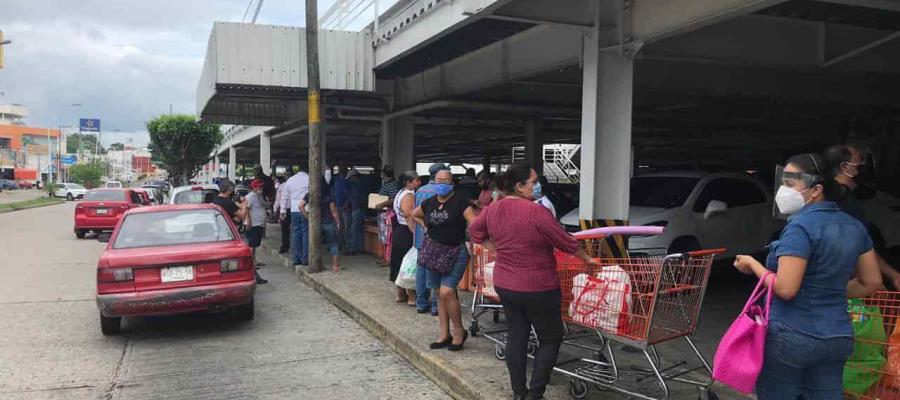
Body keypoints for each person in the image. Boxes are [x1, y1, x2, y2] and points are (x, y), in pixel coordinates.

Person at [732, 152, 882, 399]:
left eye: (790, 184)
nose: (782, 190)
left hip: (792, 336)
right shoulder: (854, 226)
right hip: (837, 335)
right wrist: (826, 293)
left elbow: (786, 289)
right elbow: (872, 281)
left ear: (815, 190)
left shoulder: (800, 227)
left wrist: (753, 266)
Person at [468, 163, 596, 400]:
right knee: (550, 337)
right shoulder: (537, 212)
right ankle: (535, 394)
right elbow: (566, 242)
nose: (537, 186)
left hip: (506, 283)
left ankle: (519, 393)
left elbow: (475, 232)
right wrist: (588, 260)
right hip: (539, 285)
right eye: (533, 182)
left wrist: (498, 250)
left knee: (517, 335)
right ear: (519, 186)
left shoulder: (493, 209)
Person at [411, 169, 478, 352]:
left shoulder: (460, 202)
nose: (442, 184)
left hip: (455, 251)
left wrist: (480, 239)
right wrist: (425, 226)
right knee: (438, 292)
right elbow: (414, 214)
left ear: (452, 183)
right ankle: (444, 333)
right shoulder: (430, 202)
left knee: (447, 291)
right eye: (439, 180)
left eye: (447, 180)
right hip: (433, 252)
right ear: (434, 181)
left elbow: (474, 221)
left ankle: (458, 331)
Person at [824, 144, 900, 289]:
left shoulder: (839, 198)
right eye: (859, 164)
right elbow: (859, 246)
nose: (862, 168)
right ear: (845, 167)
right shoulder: (841, 203)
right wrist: (888, 276)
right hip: (844, 285)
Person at [414, 163, 449, 315]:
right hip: (437, 239)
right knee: (436, 271)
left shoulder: (419, 191)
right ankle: (436, 306)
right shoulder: (442, 193)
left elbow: (415, 213)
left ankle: (421, 303)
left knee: (421, 271)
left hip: (420, 238)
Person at [390, 170, 420, 305]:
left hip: (399, 230)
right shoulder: (408, 195)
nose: (419, 182)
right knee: (409, 264)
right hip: (406, 231)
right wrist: (415, 232)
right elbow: (409, 215)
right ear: (409, 182)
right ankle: (412, 297)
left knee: (399, 261)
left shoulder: (400, 193)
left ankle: (400, 294)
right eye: (417, 180)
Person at [300, 179, 343, 272]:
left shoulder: (310, 194)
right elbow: (333, 210)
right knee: (333, 243)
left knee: (315, 243)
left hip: (315, 222)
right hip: (329, 222)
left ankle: (316, 264)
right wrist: (338, 222)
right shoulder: (329, 195)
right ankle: (335, 266)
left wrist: (308, 217)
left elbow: (300, 206)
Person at [279, 168, 310, 267]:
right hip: (306, 209)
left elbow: (285, 196)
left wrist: (282, 210)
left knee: (296, 233)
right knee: (306, 233)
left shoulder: (290, 180)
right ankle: (306, 258)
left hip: (294, 210)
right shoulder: (309, 178)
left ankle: (297, 258)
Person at [244, 179, 269, 284]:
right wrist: (248, 221)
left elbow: (264, 205)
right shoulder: (250, 197)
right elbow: (246, 209)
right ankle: (251, 261)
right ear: (254, 187)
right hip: (253, 223)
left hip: (259, 223)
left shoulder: (258, 196)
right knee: (252, 243)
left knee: (255, 244)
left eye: (261, 187)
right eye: (259, 187)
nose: (261, 188)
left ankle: (254, 260)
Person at [345, 168, 366, 255]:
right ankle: (359, 248)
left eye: (350, 178)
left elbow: (355, 198)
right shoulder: (360, 185)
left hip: (357, 208)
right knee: (359, 229)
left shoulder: (356, 186)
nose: (350, 180)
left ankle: (353, 248)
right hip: (359, 208)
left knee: (354, 229)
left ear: (354, 176)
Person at [273, 173, 292, 254]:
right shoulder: (285, 185)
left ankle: (287, 246)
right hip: (289, 209)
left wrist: (275, 209)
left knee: (288, 230)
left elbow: (278, 199)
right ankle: (287, 246)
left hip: (288, 209)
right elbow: (278, 199)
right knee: (288, 230)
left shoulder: (283, 186)